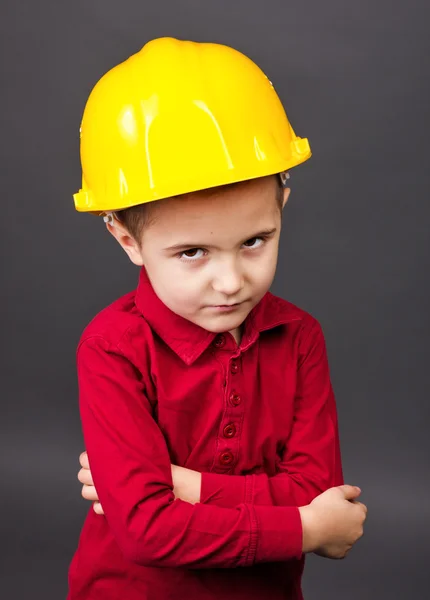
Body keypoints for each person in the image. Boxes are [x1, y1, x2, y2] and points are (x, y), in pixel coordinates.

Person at [67, 36, 367, 600]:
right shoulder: (111, 347)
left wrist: (187, 486)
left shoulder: (298, 337)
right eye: (192, 253)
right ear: (126, 238)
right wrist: (304, 527)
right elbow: (147, 532)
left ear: (283, 204)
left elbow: (318, 487)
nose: (231, 282)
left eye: (255, 241)